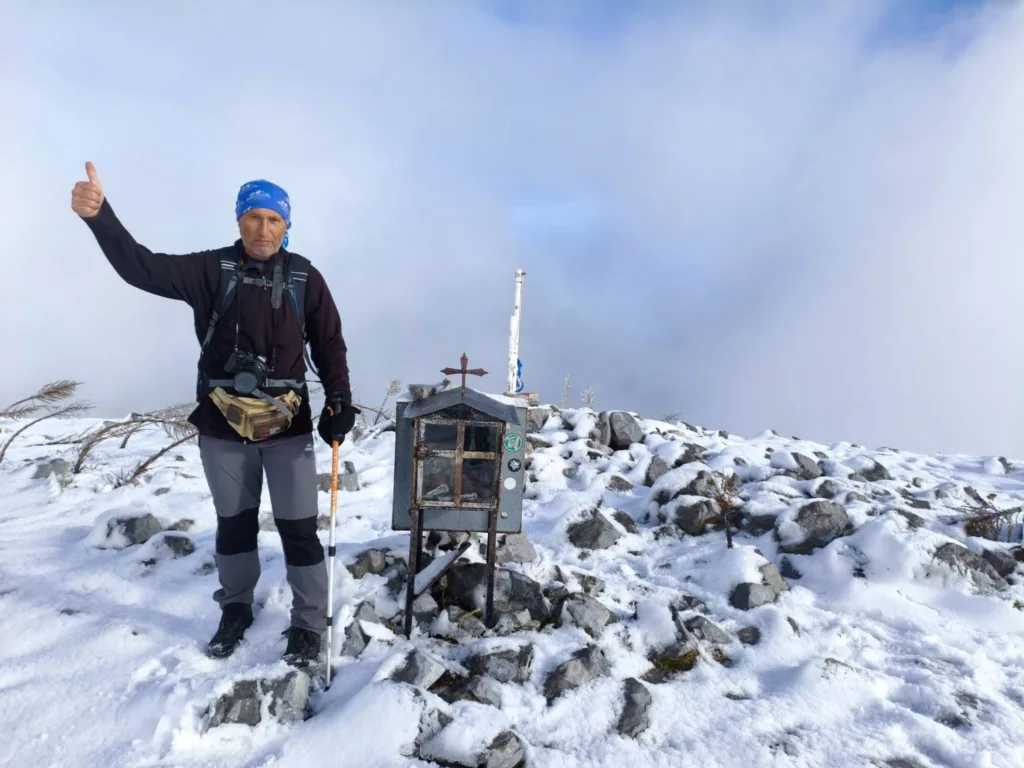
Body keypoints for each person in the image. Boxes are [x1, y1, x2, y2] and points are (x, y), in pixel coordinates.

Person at [71, 162, 358, 666]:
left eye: (274, 219)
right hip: (222, 426)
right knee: (235, 524)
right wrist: (102, 218)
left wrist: (340, 399)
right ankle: (236, 610)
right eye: (254, 218)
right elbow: (141, 267)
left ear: (287, 226)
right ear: (239, 221)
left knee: (298, 528)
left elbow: (330, 344)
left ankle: (310, 623)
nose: (263, 229)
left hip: (288, 428)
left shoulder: (303, 277)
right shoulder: (211, 271)